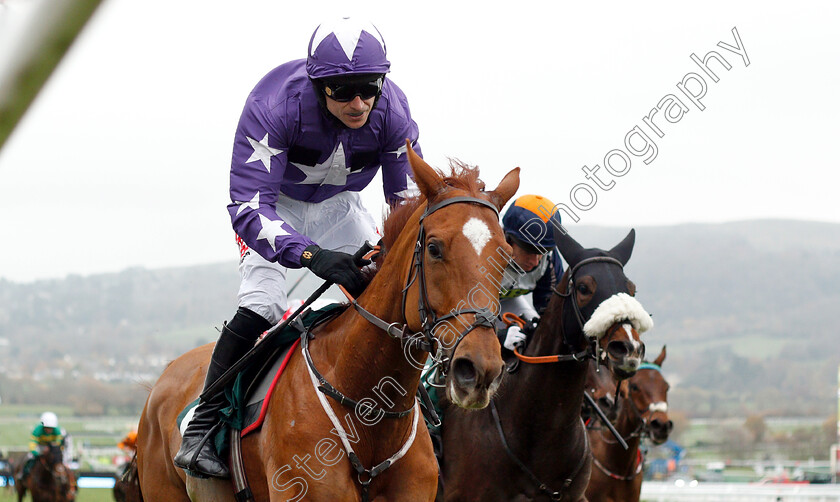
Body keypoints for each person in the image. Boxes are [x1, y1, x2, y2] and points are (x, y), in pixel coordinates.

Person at [174, 17, 421, 478]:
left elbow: (405, 205)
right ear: (317, 84)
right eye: (343, 91)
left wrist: (388, 254)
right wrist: (312, 257)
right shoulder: (272, 106)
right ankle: (204, 425)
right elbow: (248, 209)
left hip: (341, 208)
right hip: (274, 208)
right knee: (264, 303)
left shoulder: (394, 113)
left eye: (369, 89)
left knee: (391, 289)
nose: (359, 103)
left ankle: (415, 404)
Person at [497, 194, 564, 351]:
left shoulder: (549, 259)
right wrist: (498, 336)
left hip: (508, 301)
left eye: (543, 251)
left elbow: (551, 308)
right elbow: (460, 312)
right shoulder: (484, 252)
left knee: (538, 332)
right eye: (529, 251)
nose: (535, 261)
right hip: (466, 306)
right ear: (507, 239)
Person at [19, 411, 65, 482]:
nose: (49, 430)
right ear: (43, 426)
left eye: (51, 428)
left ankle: (62, 475)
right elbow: (32, 443)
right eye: (47, 427)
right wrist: (35, 452)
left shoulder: (57, 431)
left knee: (60, 459)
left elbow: (58, 443)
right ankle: (23, 474)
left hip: (51, 447)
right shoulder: (37, 430)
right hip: (39, 446)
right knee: (28, 457)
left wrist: (52, 449)